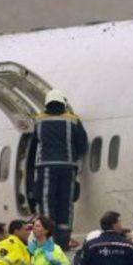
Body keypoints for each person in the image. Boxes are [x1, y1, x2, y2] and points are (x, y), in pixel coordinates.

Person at [34, 89, 88, 249]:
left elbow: (36, 138)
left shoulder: (39, 120)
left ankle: (47, 239)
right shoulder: (73, 120)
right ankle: (63, 240)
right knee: (66, 203)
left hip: (46, 166)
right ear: (63, 103)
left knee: (46, 202)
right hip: (67, 167)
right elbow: (82, 143)